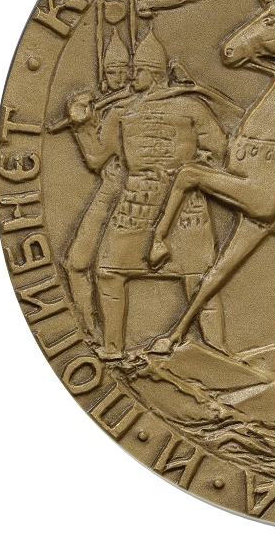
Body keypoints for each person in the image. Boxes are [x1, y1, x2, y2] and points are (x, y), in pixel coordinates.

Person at [68, 30, 228, 360]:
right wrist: (82, 124)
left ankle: (217, 352)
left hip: (184, 205)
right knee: (108, 272)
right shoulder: (120, 113)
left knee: (200, 280)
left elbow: (218, 150)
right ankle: (113, 349)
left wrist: (189, 171)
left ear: (154, 73)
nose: (131, 77)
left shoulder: (191, 108)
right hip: (135, 203)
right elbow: (97, 159)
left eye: (138, 70)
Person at [65, 30, 130, 338]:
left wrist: (81, 124)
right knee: (75, 264)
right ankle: (89, 333)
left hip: (122, 190)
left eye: (124, 72)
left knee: (81, 264)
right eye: (112, 73)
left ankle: (94, 336)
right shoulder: (112, 107)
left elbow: (95, 158)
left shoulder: (121, 110)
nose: (119, 79)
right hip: (112, 187)